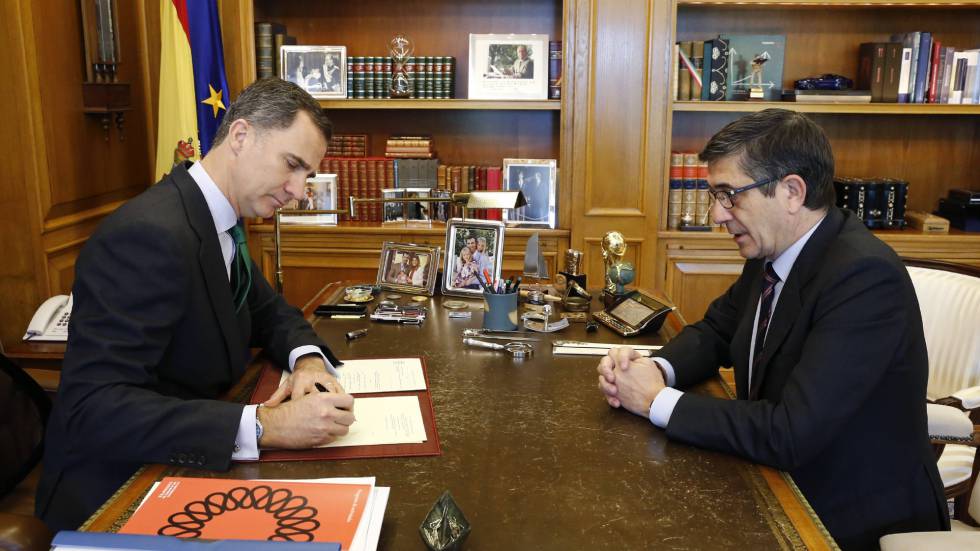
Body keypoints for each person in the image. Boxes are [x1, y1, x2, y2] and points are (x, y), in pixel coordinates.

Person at [595, 109, 947, 550]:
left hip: (849, 518)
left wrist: (655, 401)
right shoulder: (771, 252)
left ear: (792, 192)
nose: (716, 215)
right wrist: (655, 368)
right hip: (774, 481)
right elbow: (717, 332)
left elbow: (790, 432)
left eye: (729, 195)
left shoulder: (864, 277)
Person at [37, 79, 356, 531]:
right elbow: (95, 409)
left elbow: (268, 311)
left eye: (307, 175)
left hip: (189, 468)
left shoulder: (220, 219)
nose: (300, 191)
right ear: (241, 136)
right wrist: (267, 425)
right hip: (116, 494)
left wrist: (308, 364)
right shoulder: (148, 234)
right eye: (293, 165)